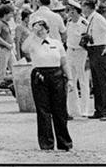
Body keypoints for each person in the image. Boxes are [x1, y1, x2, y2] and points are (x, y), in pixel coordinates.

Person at [24, 17, 73, 152]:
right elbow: (24, 48)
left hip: (56, 74)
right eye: (38, 29)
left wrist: (70, 79)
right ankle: (46, 143)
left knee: (60, 110)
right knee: (43, 110)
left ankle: (64, 142)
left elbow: (64, 62)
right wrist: (33, 33)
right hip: (40, 75)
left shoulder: (56, 43)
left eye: (42, 28)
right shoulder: (33, 43)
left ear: (47, 29)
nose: (40, 32)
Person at [81, 0, 106, 120]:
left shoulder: (98, 18)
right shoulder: (90, 19)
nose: (83, 9)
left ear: (88, 7)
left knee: (105, 82)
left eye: (84, 6)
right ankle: (100, 109)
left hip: (100, 49)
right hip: (93, 50)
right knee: (97, 82)